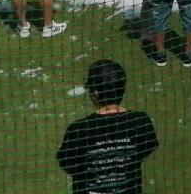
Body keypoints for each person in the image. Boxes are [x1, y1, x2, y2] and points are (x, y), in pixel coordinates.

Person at [57, 59, 159, 194]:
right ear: (122, 90)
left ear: (95, 93)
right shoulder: (141, 122)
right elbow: (146, 150)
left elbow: (68, 164)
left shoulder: (78, 129)